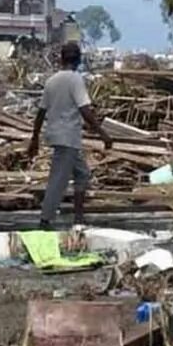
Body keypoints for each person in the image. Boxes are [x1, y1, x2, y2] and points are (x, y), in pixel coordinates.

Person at [29, 41, 113, 228]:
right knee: (58, 179)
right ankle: (45, 220)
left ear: (61, 58)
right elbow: (84, 109)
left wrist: (34, 138)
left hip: (60, 136)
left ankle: (78, 219)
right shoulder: (75, 79)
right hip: (67, 137)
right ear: (78, 59)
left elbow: (41, 112)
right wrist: (103, 133)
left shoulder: (52, 81)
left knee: (82, 174)